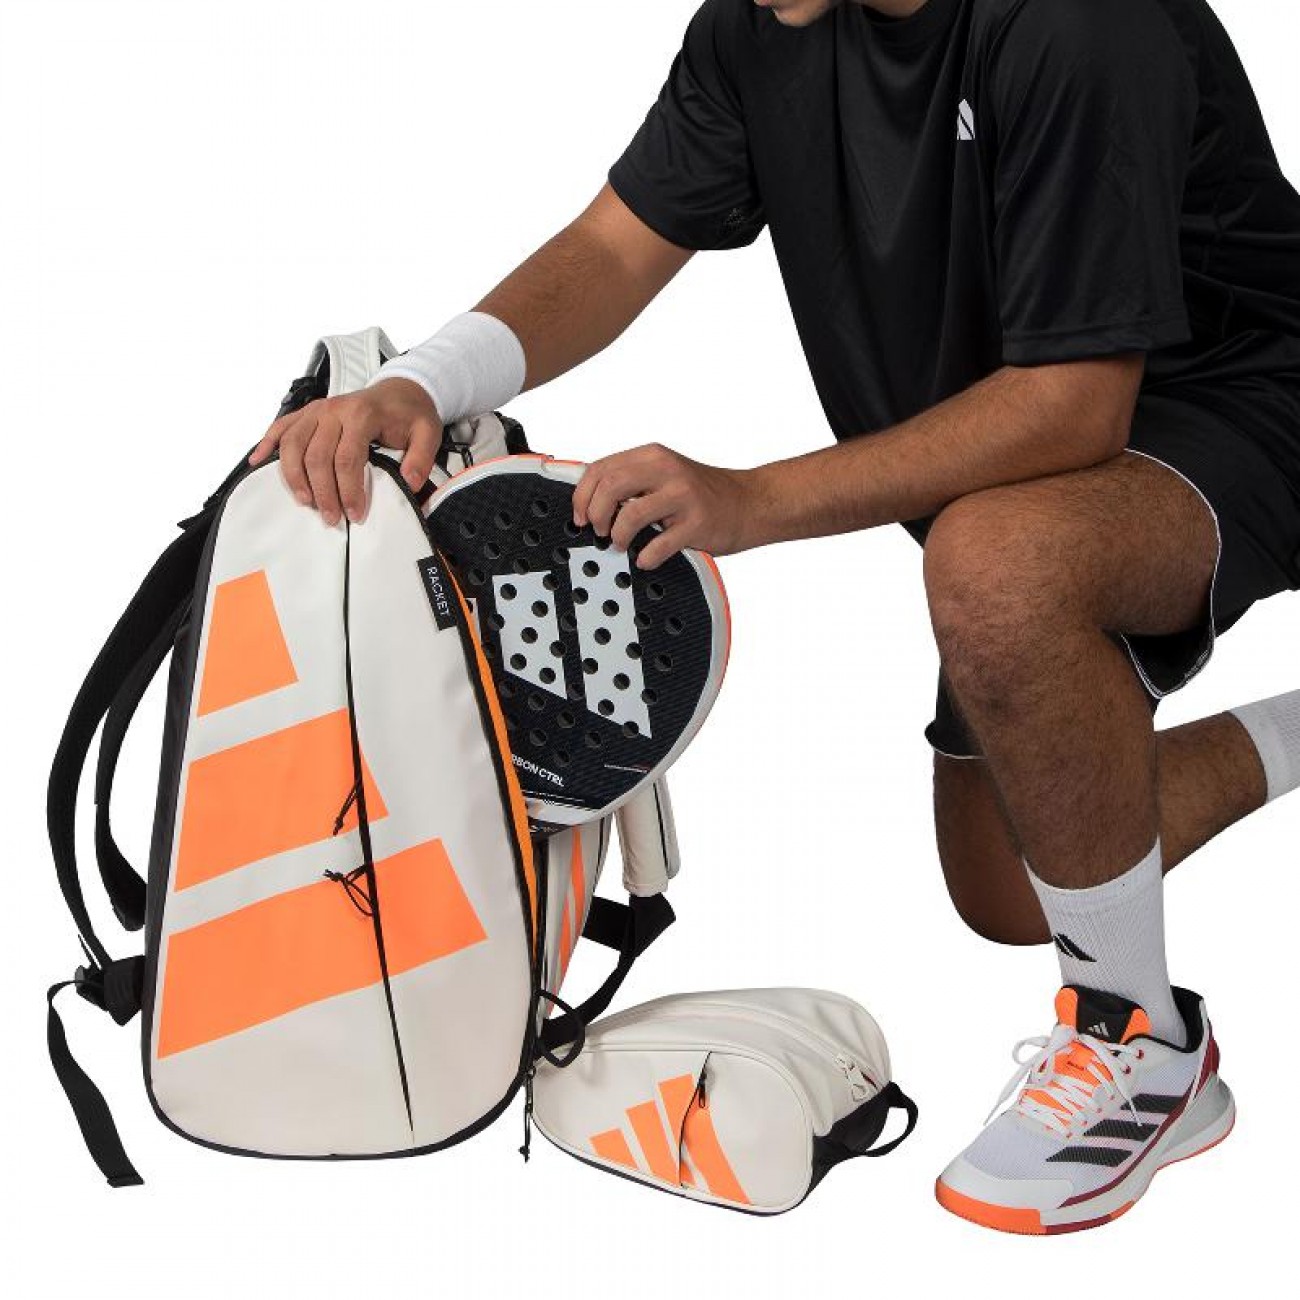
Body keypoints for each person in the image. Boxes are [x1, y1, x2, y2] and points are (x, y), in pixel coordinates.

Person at [251, 0, 1300, 1233]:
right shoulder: (761, 25)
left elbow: (1071, 404)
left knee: (993, 565)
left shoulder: (1077, 25)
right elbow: (615, 245)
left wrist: (748, 497)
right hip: (1039, 467)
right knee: (1014, 888)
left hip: (1249, 408)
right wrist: (420, 380)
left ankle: (1144, 1043)